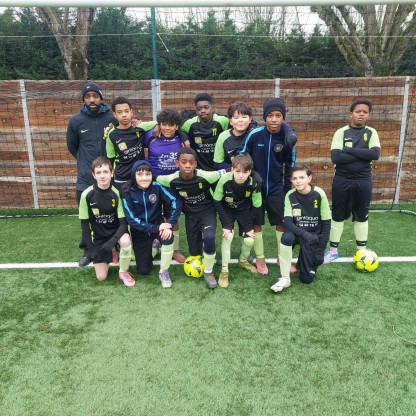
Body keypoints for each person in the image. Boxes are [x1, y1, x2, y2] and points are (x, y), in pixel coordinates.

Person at [240, 97, 297, 275]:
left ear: (283, 117)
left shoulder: (287, 138)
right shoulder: (255, 134)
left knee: (282, 223)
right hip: (255, 189)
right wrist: (252, 176)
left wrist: (287, 190)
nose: (273, 119)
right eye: (270, 115)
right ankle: (260, 258)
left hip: (276, 188)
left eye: (278, 115)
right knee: (256, 222)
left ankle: (282, 257)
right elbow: (243, 157)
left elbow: (290, 165)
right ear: (265, 116)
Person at [156, 147, 226, 289]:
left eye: (191, 163)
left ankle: (208, 271)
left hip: (207, 212)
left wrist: (254, 175)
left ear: (195, 164)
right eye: (184, 162)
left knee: (209, 236)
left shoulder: (206, 176)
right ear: (177, 163)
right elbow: (153, 177)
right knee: (194, 252)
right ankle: (207, 255)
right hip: (190, 215)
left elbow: (228, 172)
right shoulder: (171, 179)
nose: (187, 165)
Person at [324, 99, 381, 263]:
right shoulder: (341, 132)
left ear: (368, 115)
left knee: (362, 215)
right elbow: (336, 158)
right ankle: (333, 250)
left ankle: (361, 251)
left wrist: (349, 150)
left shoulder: (371, 132)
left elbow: (374, 154)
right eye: (358, 111)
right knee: (337, 214)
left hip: (363, 180)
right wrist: (363, 154)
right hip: (342, 179)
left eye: (365, 112)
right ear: (351, 114)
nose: (361, 114)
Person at [67, 81, 117, 267]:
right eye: (87, 97)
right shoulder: (76, 121)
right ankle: (88, 250)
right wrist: (86, 163)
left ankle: (114, 246)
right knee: (86, 216)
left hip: (108, 177)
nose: (92, 100)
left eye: (95, 96)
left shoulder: (111, 118)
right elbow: (72, 147)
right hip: (86, 178)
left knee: (111, 214)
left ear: (101, 98)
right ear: (84, 100)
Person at [121, 160, 182, 288]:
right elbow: (132, 220)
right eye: (140, 174)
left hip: (157, 223)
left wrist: (170, 224)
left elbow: (175, 200)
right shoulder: (127, 191)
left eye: (148, 174)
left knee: (168, 236)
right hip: (140, 231)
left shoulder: (157, 186)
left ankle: (163, 271)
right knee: (143, 270)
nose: (144, 178)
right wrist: (157, 228)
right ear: (134, 175)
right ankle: (155, 246)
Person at [271, 164, 331, 292]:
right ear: (291, 180)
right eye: (295, 178)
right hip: (299, 233)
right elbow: (287, 222)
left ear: (309, 178)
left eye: (301, 177)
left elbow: (326, 224)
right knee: (286, 238)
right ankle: (285, 278)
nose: (298, 181)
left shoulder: (319, 194)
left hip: (313, 237)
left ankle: (303, 262)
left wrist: (320, 251)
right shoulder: (290, 195)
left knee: (306, 279)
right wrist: (304, 234)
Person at [78, 156, 135, 287]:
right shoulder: (86, 195)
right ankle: (111, 252)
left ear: (112, 173)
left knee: (126, 241)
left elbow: (123, 224)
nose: (102, 176)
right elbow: (85, 226)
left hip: (116, 233)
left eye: (105, 172)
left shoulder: (117, 193)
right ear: (93, 175)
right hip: (99, 237)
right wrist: (91, 251)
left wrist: (111, 242)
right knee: (101, 277)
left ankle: (123, 271)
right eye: (98, 172)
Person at [213, 154, 263, 288]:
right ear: (232, 170)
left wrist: (248, 226)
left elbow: (257, 206)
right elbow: (217, 202)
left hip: (243, 211)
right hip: (227, 210)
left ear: (250, 172)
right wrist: (226, 224)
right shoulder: (224, 180)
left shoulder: (254, 183)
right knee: (228, 236)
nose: (241, 176)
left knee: (249, 240)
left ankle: (243, 261)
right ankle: (224, 271)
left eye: (245, 172)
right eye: (237, 171)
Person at [144, 108, 186, 263]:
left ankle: (174, 249)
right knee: (152, 215)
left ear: (177, 126)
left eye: (171, 125)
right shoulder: (150, 136)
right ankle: (154, 243)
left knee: (173, 217)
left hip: (172, 186)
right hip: (153, 184)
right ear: (159, 124)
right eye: (164, 124)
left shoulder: (183, 138)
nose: (167, 128)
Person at [106, 96, 157, 191]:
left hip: (140, 176)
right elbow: (110, 159)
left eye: (126, 111)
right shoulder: (111, 134)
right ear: (115, 115)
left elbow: (161, 122)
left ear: (131, 112)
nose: (124, 115)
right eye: (119, 112)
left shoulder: (140, 127)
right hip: (121, 178)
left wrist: (157, 127)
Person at [180, 93, 229, 171]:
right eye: (199, 108)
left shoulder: (222, 121)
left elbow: (239, 126)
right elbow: (175, 127)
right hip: (199, 169)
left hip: (218, 167)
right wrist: (184, 138)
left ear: (212, 108)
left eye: (206, 107)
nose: (202, 111)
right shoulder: (190, 123)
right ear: (196, 111)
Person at [213, 102, 254, 171]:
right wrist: (237, 169)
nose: (240, 120)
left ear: (250, 119)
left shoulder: (253, 136)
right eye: (236, 118)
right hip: (229, 173)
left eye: (244, 117)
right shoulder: (223, 136)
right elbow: (218, 163)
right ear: (230, 121)